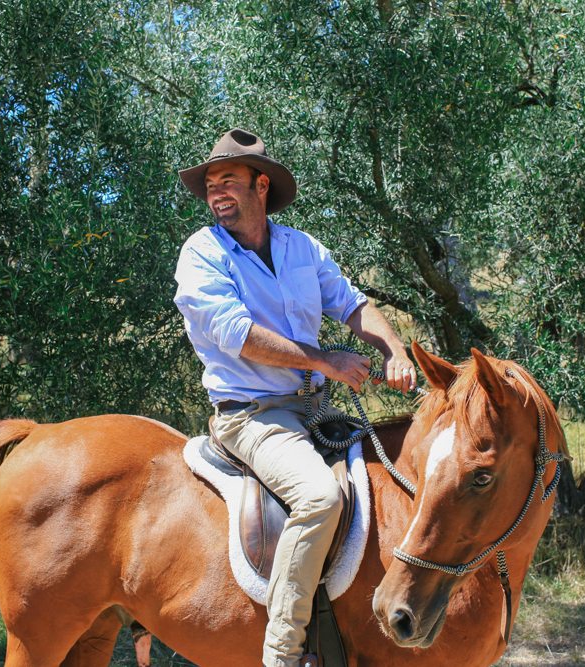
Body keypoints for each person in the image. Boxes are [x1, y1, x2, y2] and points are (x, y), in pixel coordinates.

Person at [174, 128, 416, 667]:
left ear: (262, 185)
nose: (216, 193)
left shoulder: (301, 247)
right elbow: (236, 334)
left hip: (316, 410)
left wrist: (394, 350)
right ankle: (282, 652)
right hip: (253, 417)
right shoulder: (201, 254)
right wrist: (324, 360)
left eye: (228, 181)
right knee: (320, 499)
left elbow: (352, 305)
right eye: (210, 184)